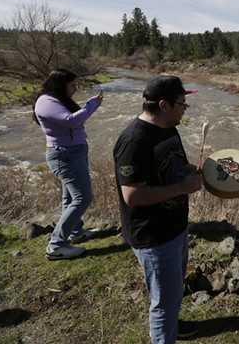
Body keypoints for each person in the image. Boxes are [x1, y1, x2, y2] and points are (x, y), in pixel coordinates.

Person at [113, 75, 203, 342]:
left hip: (175, 226)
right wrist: (181, 188)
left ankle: (172, 323)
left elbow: (178, 166)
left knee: (173, 291)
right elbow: (132, 194)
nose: (185, 109)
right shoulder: (134, 141)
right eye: (182, 103)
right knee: (163, 301)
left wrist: (204, 169)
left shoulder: (169, 127)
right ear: (164, 104)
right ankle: (166, 331)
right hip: (153, 236)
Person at [33, 68, 103, 260]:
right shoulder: (46, 101)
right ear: (60, 84)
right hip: (64, 155)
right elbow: (70, 121)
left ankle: (76, 231)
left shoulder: (57, 99)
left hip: (74, 151)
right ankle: (56, 245)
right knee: (82, 198)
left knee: (70, 198)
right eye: (72, 85)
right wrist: (92, 105)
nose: (74, 89)